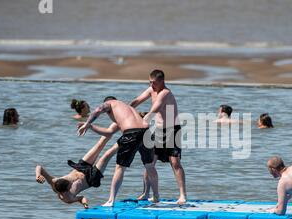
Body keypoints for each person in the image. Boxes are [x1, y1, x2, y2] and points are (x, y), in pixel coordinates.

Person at [77, 96, 160, 207]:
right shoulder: (125, 109)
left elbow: (98, 110)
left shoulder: (110, 103)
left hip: (132, 133)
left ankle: (111, 200)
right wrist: (91, 127)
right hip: (146, 132)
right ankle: (156, 196)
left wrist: (87, 123)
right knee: (149, 166)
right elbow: (108, 132)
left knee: (120, 167)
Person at [129, 69, 187, 205]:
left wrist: (144, 121)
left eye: (153, 82)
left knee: (175, 163)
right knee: (149, 163)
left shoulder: (165, 93)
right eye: (149, 82)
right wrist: (125, 110)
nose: (151, 85)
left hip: (173, 130)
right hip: (159, 130)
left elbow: (155, 108)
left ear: (162, 81)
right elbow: (137, 100)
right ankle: (145, 193)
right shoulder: (151, 90)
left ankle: (183, 195)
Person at [35, 135, 118, 208]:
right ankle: (124, 141)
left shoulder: (53, 181)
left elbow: (39, 167)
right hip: (91, 177)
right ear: (66, 190)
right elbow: (81, 198)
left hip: (81, 167)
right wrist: (85, 204)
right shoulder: (68, 198)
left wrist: (38, 175)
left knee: (100, 144)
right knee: (107, 155)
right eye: (70, 185)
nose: (72, 183)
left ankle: (116, 125)